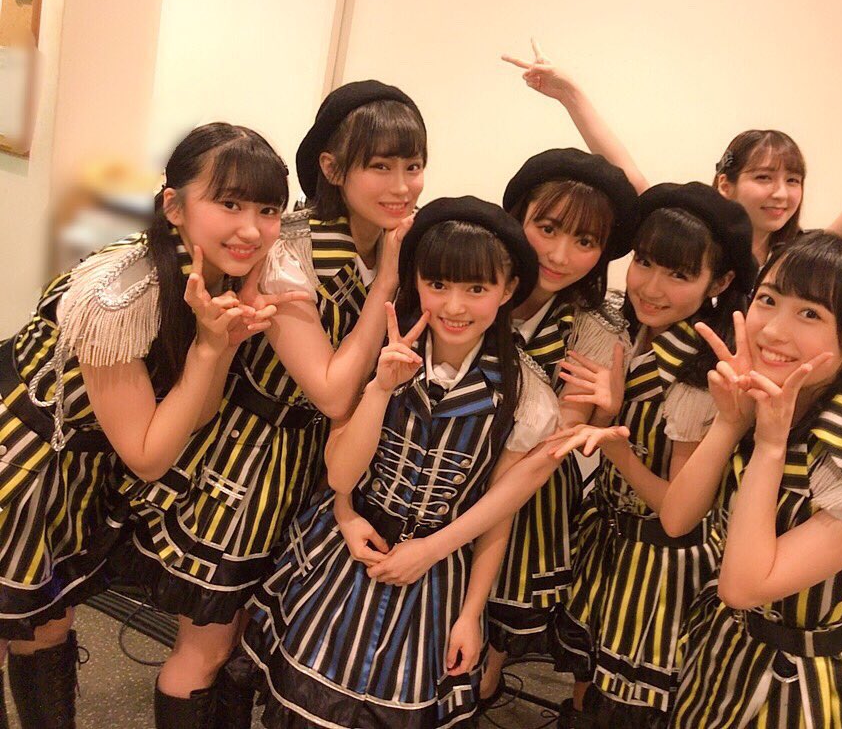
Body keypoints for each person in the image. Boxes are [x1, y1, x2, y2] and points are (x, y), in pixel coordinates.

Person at [108, 81, 427, 727]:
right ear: (332, 169)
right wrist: (386, 286)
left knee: (247, 642)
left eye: (413, 165)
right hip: (245, 461)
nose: (401, 185)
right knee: (206, 646)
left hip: (305, 466)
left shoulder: (384, 244)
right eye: (380, 166)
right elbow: (332, 389)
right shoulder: (293, 250)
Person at [0, 122, 297, 728]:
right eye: (230, 203)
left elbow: (193, 415)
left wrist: (218, 347)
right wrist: (211, 350)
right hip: (21, 452)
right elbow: (148, 454)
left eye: (268, 210)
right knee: (14, 622)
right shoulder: (118, 295)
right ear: (174, 206)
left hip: (77, 460)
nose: (251, 228)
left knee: (46, 622)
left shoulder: (211, 275)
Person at [239, 196, 560, 728]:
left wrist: (470, 614)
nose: (454, 306)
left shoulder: (527, 396)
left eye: (476, 289)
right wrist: (381, 389)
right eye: (438, 284)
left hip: (436, 574)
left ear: (507, 292)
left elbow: (498, 516)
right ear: (416, 282)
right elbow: (341, 474)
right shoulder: (378, 353)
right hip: (344, 552)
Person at [662, 231, 842, 728]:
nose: (772, 331)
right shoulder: (759, 400)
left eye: (810, 314)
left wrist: (770, 445)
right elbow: (677, 520)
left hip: (813, 685)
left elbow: (744, 587)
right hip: (726, 656)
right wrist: (729, 423)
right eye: (768, 300)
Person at [503, 28, 842, 262]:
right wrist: (571, 95)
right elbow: (625, 172)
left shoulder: (801, 260)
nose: (782, 193)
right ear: (725, 184)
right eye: (764, 177)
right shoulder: (689, 239)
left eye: (793, 180)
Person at [546, 183, 756, 726]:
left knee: (627, 708)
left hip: (662, 566)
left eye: (679, 275)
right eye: (644, 262)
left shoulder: (698, 377)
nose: (651, 287)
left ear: (720, 283)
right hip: (609, 537)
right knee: (586, 687)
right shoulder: (626, 331)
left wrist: (614, 439)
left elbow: (679, 512)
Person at [475, 147, 636, 708]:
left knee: (481, 653)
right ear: (517, 216)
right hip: (439, 472)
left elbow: (551, 444)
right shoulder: (471, 284)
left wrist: (604, 413)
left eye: (585, 241)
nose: (561, 255)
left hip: (526, 493)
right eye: (547, 228)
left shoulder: (596, 329)